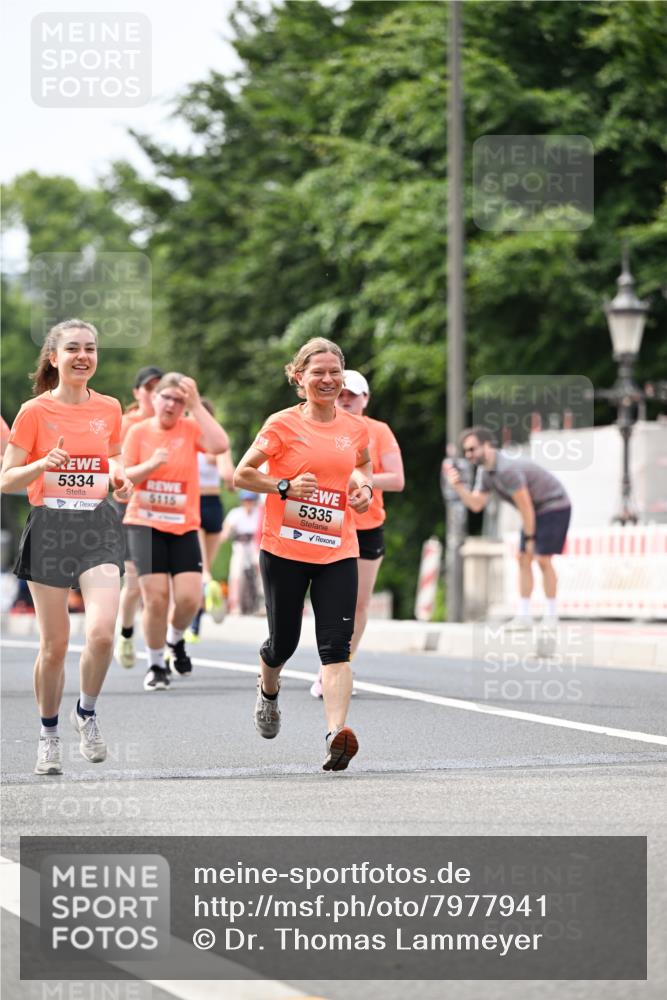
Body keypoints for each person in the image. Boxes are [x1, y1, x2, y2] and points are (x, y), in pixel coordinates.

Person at [234, 337, 373, 772]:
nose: (328, 380)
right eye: (318, 373)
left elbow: (362, 465)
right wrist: (284, 486)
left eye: (335, 372)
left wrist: (364, 489)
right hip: (285, 550)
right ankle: (268, 691)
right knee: (284, 643)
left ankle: (335, 735)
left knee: (336, 647)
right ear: (299, 377)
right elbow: (242, 474)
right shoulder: (282, 424)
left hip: (337, 549)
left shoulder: (355, 428)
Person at [0, 318, 133, 775]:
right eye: (73, 348)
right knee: (54, 645)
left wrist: (120, 475)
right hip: (50, 527)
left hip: (97, 525)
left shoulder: (110, 407)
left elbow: (113, 456)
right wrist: (42, 464)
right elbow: (6, 479)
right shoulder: (34, 411)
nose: (83, 356)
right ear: (54, 358)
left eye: (90, 348)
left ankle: (86, 712)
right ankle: (48, 734)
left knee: (102, 633)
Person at [123, 372, 230, 690]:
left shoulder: (191, 428)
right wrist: (151, 465)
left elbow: (220, 444)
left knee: (188, 599)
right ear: (154, 398)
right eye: (166, 397)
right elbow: (123, 476)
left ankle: (175, 639)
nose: (171, 405)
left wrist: (196, 406)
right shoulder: (139, 432)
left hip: (183, 526)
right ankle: (156, 664)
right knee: (156, 599)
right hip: (144, 524)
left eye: (179, 401)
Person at [310, 370, 404, 697]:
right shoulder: (319, 427)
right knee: (327, 599)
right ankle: (329, 663)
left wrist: (358, 478)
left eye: (354, 394)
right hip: (327, 522)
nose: (346, 399)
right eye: (342, 394)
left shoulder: (378, 431)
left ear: (366, 399)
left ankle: (337, 666)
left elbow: (397, 479)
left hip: (366, 524)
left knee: (358, 603)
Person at [445, 426, 571, 628]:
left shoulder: (506, 469)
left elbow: (525, 505)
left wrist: (530, 539)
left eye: (472, 449)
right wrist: (459, 487)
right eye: (466, 451)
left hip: (554, 504)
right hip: (535, 510)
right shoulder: (485, 472)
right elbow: (477, 505)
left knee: (542, 558)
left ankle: (551, 615)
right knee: (523, 559)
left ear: (487, 445)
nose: (468, 455)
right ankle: (524, 615)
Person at [114, 365, 163, 669]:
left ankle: (167, 645)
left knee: (162, 585)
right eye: (149, 388)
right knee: (135, 583)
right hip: (131, 508)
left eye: (160, 387)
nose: (155, 393)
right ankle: (126, 633)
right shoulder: (126, 423)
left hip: (167, 510)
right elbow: (114, 465)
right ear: (137, 392)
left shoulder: (173, 424)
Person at [185, 398, 235, 641]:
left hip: (192, 503)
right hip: (214, 504)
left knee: (198, 569)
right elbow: (229, 476)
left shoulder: (186, 440)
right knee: (205, 567)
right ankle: (195, 626)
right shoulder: (218, 444)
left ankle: (207, 585)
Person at [220, 489, 263, 614]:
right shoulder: (236, 513)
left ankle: (262, 602)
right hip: (240, 544)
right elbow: (226, 528)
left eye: (250, 500)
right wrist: (224, 535)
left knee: (261, 567)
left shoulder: (259, 513)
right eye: (246, 500)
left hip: (254, 545)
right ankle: (235, 604)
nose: (248, 503)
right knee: (236, 571)